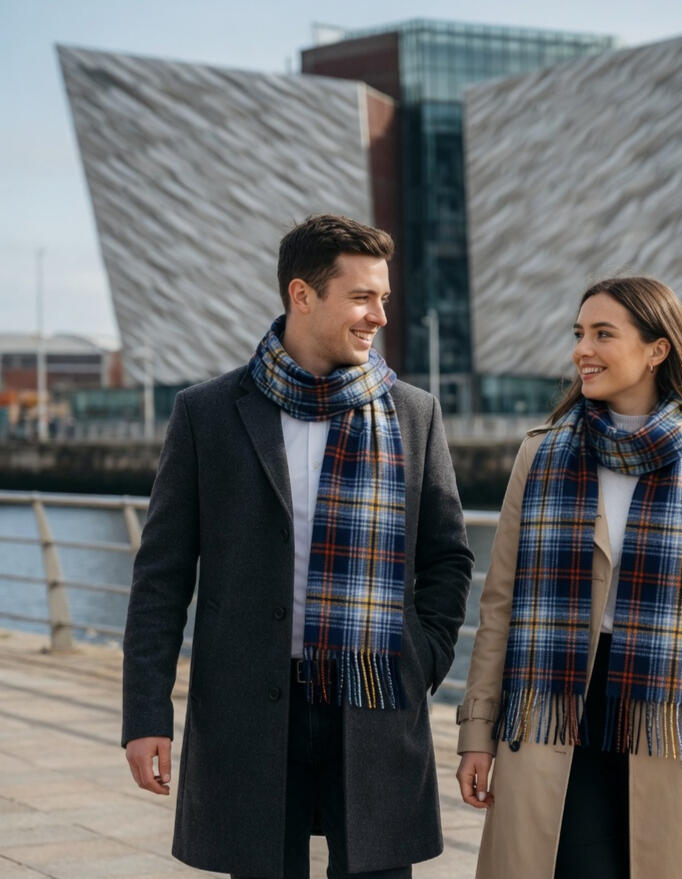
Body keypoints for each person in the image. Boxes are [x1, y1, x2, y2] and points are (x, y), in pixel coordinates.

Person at [123, 214, 473, 879]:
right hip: (248, 710)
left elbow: (447, 556)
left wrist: (418, 655)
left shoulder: (412, 412)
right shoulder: (208, 411)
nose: (378, 316)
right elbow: (162, 576)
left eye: (383, 299)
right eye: (362, 297)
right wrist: (146, 713)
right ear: (302, 295)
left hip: (373, 701)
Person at [455, 277, 682, 879]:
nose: (583, 349)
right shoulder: (541, 455)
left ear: (657, 350)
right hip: (554, 711)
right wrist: (477, 731)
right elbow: (499, 603)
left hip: (674, 715)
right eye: (580, 333)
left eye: (604, 334)